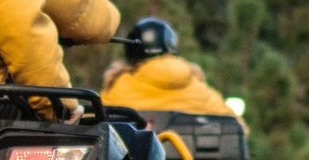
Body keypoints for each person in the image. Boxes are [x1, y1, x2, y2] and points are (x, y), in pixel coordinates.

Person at [101, 17, 237, 116]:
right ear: (171, 45)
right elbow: (238, 127)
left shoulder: (118, 87)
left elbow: (93, 123)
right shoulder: (197, 87)